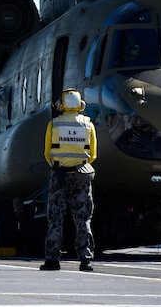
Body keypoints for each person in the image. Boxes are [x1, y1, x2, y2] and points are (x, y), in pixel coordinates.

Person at [40, 89, 98, 272]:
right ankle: (85, 260)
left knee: (56, 219)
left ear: (62, 105)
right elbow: (93, 154)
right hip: (81, 174)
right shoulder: (88, 125)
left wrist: (58, 165)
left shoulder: (54, 124)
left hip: (59, 175)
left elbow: (47, 152)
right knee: (83, 219)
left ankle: (52, 260)